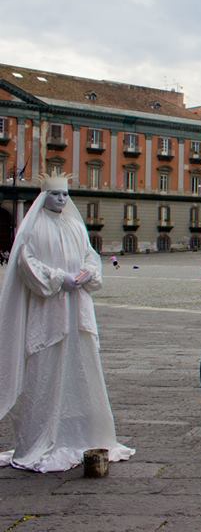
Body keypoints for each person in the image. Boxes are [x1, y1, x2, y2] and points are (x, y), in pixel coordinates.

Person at [0, 171, 134, 472]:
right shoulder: (32, 229)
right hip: (49, 311)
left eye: (64, 194)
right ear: (43, 197)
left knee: (82, 368)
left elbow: (90, 255)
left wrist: (87, 273)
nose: (62, 199)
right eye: (55, 194)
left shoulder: (75, 225)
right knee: (44, 370)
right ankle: (42, 437)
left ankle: (86, 434)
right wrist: (61, 279)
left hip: (78, 311)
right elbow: (27, 263)